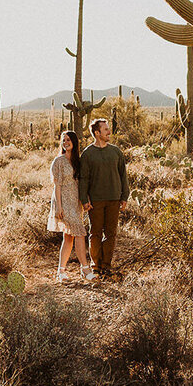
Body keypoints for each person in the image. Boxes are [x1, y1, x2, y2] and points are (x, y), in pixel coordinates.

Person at [78, 118, 128, 279]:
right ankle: (96, 266)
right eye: (105, 130)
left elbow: (123, 175)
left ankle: (106, 265)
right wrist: (84, 199)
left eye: (108, 129)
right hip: (96, 200)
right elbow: (83, 178)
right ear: (97, 133)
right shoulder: (88, 154)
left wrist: (124, 196)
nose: (109, 132)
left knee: (111, 233)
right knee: (95, 233)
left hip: (114, 198)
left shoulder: (116, 152)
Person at [47, 130, 94, 282]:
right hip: (63, 202)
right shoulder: (58, 161)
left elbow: (81, 183)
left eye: (68, 140)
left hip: (76, 203)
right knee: (80, 234)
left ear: (74, 142)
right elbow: (57, 186)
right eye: (63, 140)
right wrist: (59, 207)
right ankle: (85, 269)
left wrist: (85, 200)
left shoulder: (77, 161)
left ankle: (61, 272)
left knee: (68, 237)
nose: (66, 142)